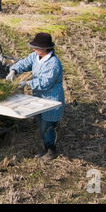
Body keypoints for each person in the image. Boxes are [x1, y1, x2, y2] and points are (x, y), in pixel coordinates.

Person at [6, 32, 65, 161]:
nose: (34, 49)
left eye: (36, 47)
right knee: (41, 123)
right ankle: (46, 147)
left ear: (44, 49)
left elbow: (45, 83)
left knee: (47, 126)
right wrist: (13, 71)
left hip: (51, 99)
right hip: (39, 98)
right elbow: (24, 63)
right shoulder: (35, 56)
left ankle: (51, 150)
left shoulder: (53, 63)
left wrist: (26, 83)